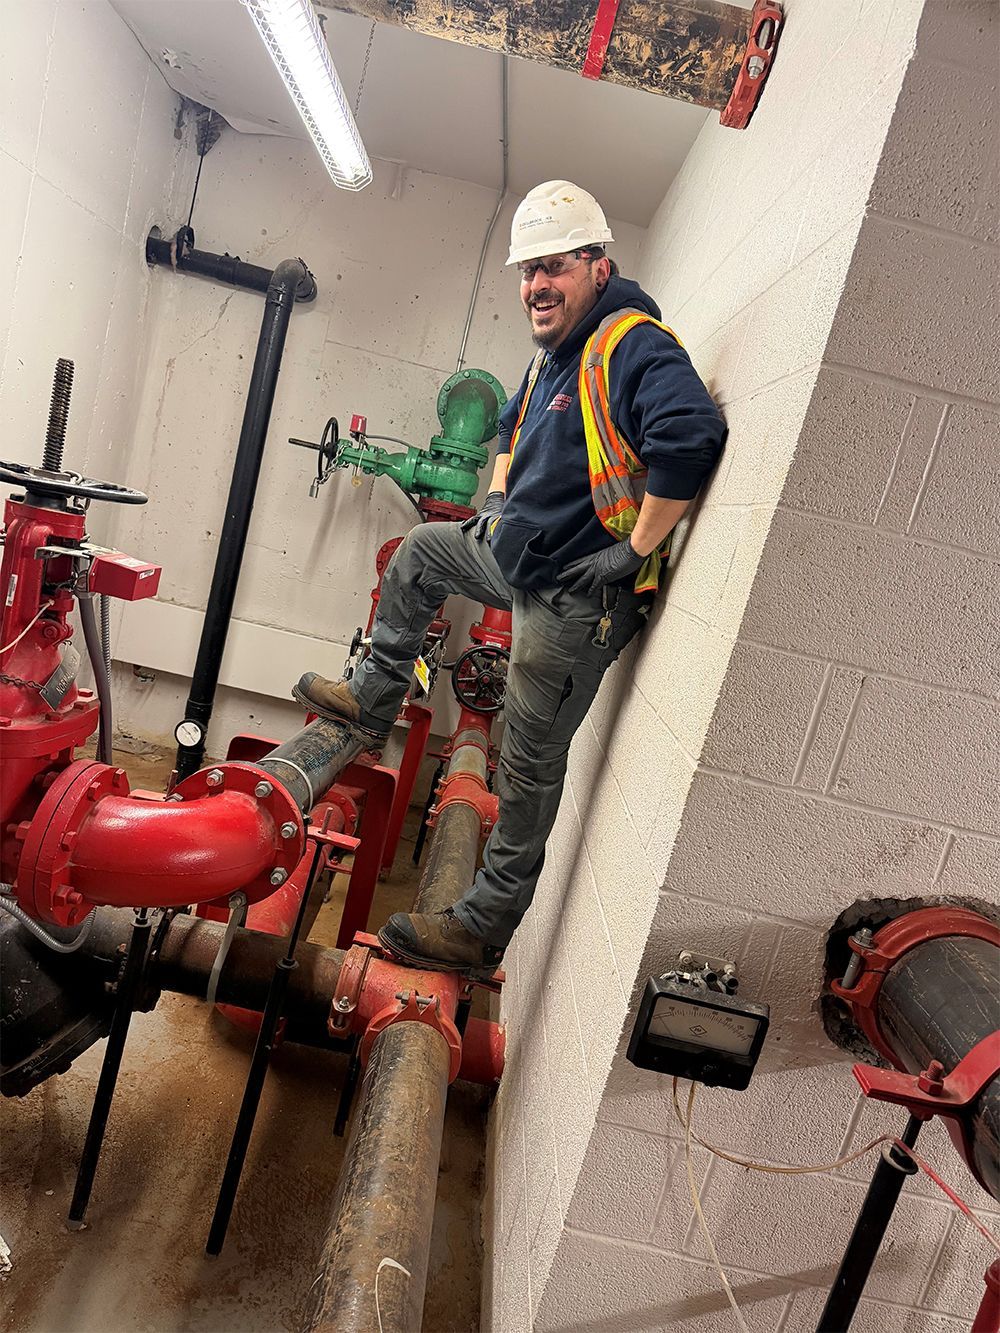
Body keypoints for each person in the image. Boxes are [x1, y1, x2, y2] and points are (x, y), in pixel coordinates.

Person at [293, 180, 726, 972]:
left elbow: (691, 436)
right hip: (522, 559)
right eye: (526, 270)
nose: (535, 285)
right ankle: (375, 699)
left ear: (598, 264)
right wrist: (493, 500)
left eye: (554, 265)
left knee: (524, 763)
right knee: (425, 549)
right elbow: (506, 423)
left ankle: (480, 925)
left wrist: (635, 550)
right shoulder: (557, 356)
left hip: (573, 598)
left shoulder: (629, 344)